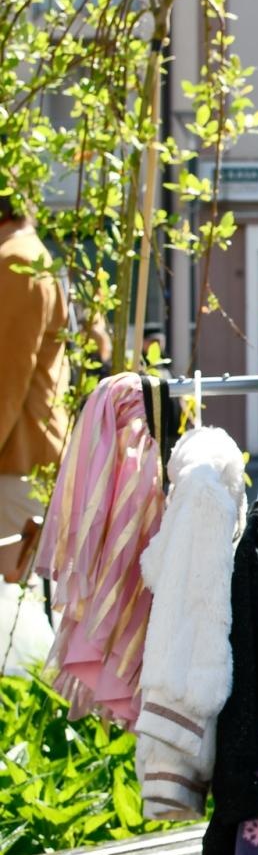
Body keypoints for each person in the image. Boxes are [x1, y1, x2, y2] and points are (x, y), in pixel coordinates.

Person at [0, 192, 69, 577]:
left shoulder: (17, 261)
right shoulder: (24, 256)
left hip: (16, 461)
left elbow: (5, 378)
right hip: (22, 456)